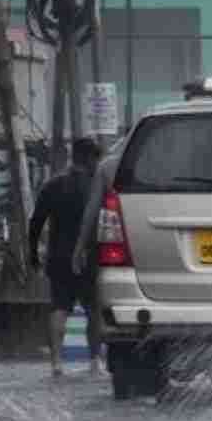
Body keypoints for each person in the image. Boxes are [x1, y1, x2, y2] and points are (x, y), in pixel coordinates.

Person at [28, 138, 102, 377]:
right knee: (93, 310)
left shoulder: (53, 185)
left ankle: (57, 363)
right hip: (89, 257)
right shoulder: (95, 187)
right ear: (91, 158)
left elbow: (36, 222)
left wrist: (32, 253)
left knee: (59, 308)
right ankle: (94, 363)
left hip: (58, 257)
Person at [73, 149, 122, 373]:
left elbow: (92, 214)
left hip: (118, 248)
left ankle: (99, 359)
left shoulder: (108, 166)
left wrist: (79, 248)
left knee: (102, 307)